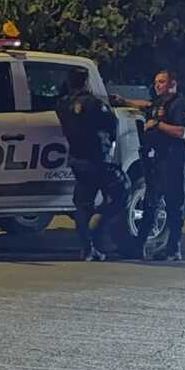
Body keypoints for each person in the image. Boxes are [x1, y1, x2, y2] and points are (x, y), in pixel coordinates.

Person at [56, 67, 129, 262]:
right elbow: (112, 125)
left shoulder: (63, 105)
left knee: (82, 204)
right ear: (86, 82)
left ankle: (87, 249)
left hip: (77, 159)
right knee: (121, 192)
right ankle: (100, 221)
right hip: (98, 159)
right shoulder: (94, 104)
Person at [133, 69, 185, 262]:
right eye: (156, 81)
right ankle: (138, 246)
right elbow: (145, 106)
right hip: (156, 160)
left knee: (174, 206)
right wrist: (121, 100)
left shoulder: (178, 104)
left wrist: (157, 125)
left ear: (172, 84)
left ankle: (173, 249)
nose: (157, 85)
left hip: (172, 160)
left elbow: (181, 132)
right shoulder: (159, 102)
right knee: (150, 203)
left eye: (162, 82)